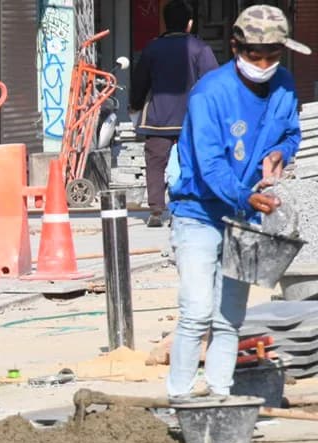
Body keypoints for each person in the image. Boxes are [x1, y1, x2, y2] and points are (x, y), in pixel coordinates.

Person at [165, 5, 307, 402]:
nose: (263, 64)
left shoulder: (285, 86)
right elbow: (209, 164)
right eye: (254, 56)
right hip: (199, 212)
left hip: (243, 219)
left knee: (230, 317)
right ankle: (179, 397)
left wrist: (281, 151)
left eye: (272, 56)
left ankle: (221, 395)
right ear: (235, 48)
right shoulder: (209, 94)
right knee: (196, 311)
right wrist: (246, 196)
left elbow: (291, 134)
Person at [129, 0, 219, 229]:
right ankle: (187, 208)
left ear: (164, 23)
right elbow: (213, 84)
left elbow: (140, 82)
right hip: (192, 119)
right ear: (190, 24)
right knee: (191, 163)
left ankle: (156, 210)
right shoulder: (200, 49)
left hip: (158, 118)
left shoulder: (152, 48)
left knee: (155, 163)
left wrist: (135, 104)